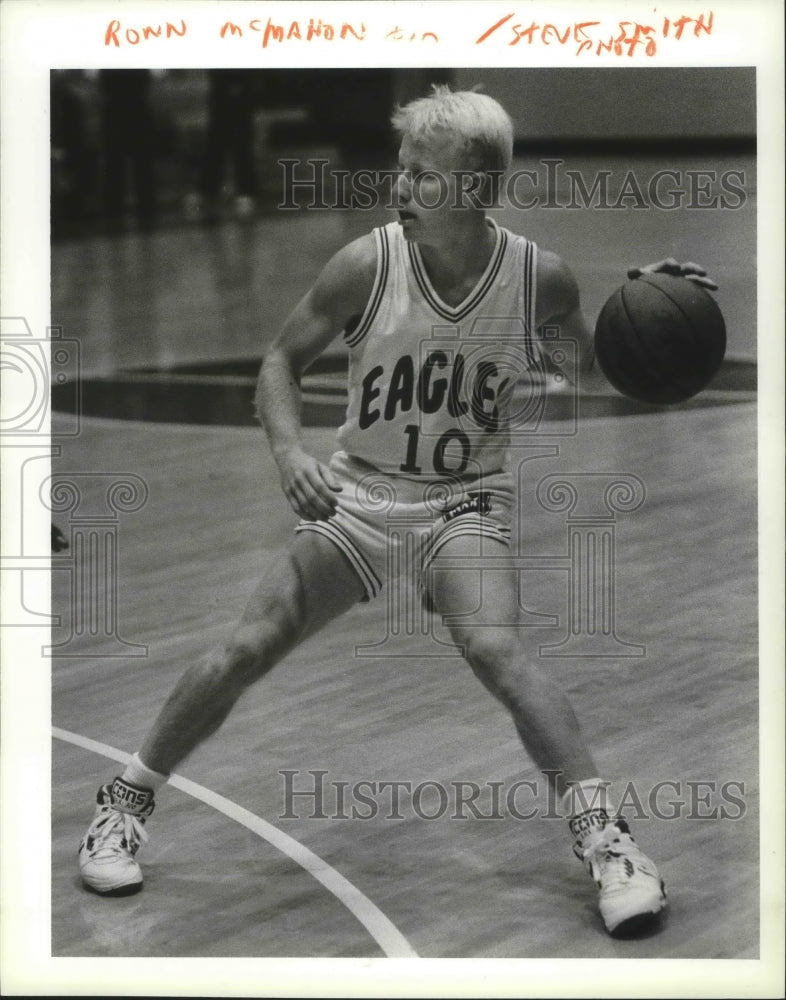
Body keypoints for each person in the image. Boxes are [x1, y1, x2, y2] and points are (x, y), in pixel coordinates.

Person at [78, 87, 716, 938]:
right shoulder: (365, 265)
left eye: (423, 175)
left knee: (495, 647)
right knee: (248, 642)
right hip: (361, 496)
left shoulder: (537, 278)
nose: (401, 186)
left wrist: (655, 305)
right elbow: (279, 361)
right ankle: (123, 802)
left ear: (477, 188)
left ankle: (609, 843)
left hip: (463, 501)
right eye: (402, 169)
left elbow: (594, 370)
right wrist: (289, 453)